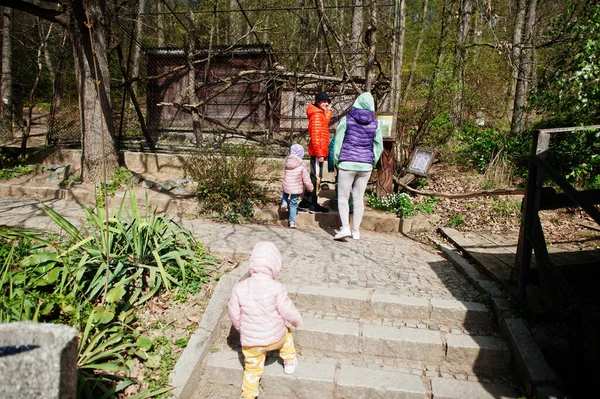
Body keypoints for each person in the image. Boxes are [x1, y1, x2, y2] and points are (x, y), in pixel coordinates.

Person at [227, 241, 302, 399]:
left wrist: (241, 328)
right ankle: (289, 362)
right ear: (275, 265)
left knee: (252, 369)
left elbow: (233, 312)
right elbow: (287, 310)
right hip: (276, 339)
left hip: (251, 344)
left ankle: (248, 394)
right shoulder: (276, 287)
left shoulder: (240, 287)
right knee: (287, 334)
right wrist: (296, 321)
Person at [332, 92, 383, 240]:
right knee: (358, 198)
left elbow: (338, 142)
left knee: (343, 196)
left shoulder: (346, 120)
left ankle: (345, 228)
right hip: (365, 165)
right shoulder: (376, 123)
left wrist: (337, 160)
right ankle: (356, 231)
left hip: (347, 162)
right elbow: (378, 146)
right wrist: (372, 161)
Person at [298, 91, 332, 214]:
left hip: (319, 151)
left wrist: (328, 111)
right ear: (318, 102)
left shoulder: (319, 115)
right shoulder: (317, 116)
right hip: (318, 152)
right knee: (316, 177)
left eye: (327, 101)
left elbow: (325, 123)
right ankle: (313, 203)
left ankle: (305, 202)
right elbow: (316, 137)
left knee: (314, 176)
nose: (326, 103)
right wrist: (319, 154)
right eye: (324, 101)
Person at [281, 143, 314, 228]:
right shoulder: (302, 165)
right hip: (296, 188)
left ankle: (284, 203)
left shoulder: (287, 162)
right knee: (293, 204)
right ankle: (292, 222)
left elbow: (285, 174)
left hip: (287, 184)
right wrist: (310, 188)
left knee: (285, 192)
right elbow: (306, 179)